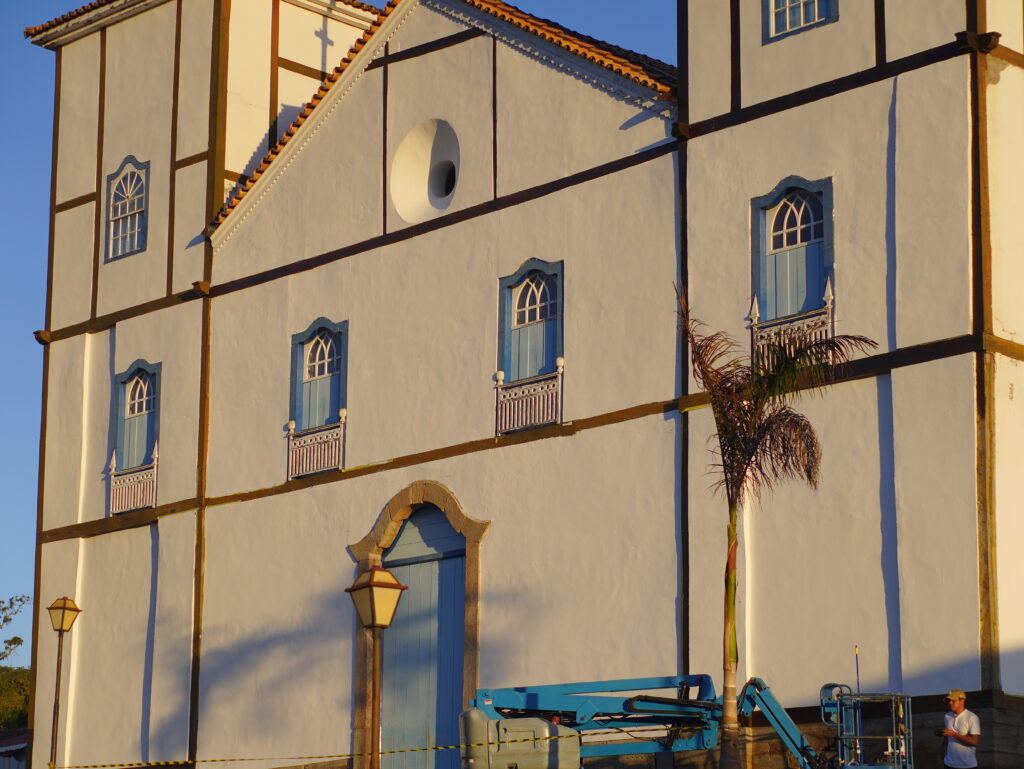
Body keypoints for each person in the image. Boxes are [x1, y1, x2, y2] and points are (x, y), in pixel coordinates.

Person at [941, 689, 980, 768]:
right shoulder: (947, 716)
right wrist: (942, 750)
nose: (950, 703)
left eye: (953, 701)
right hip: (948, 764)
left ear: (962, 700)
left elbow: (974, 742)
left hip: (967, 765)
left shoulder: (972, 717)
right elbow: (947, 737)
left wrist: (954, 734)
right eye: (948, 700)